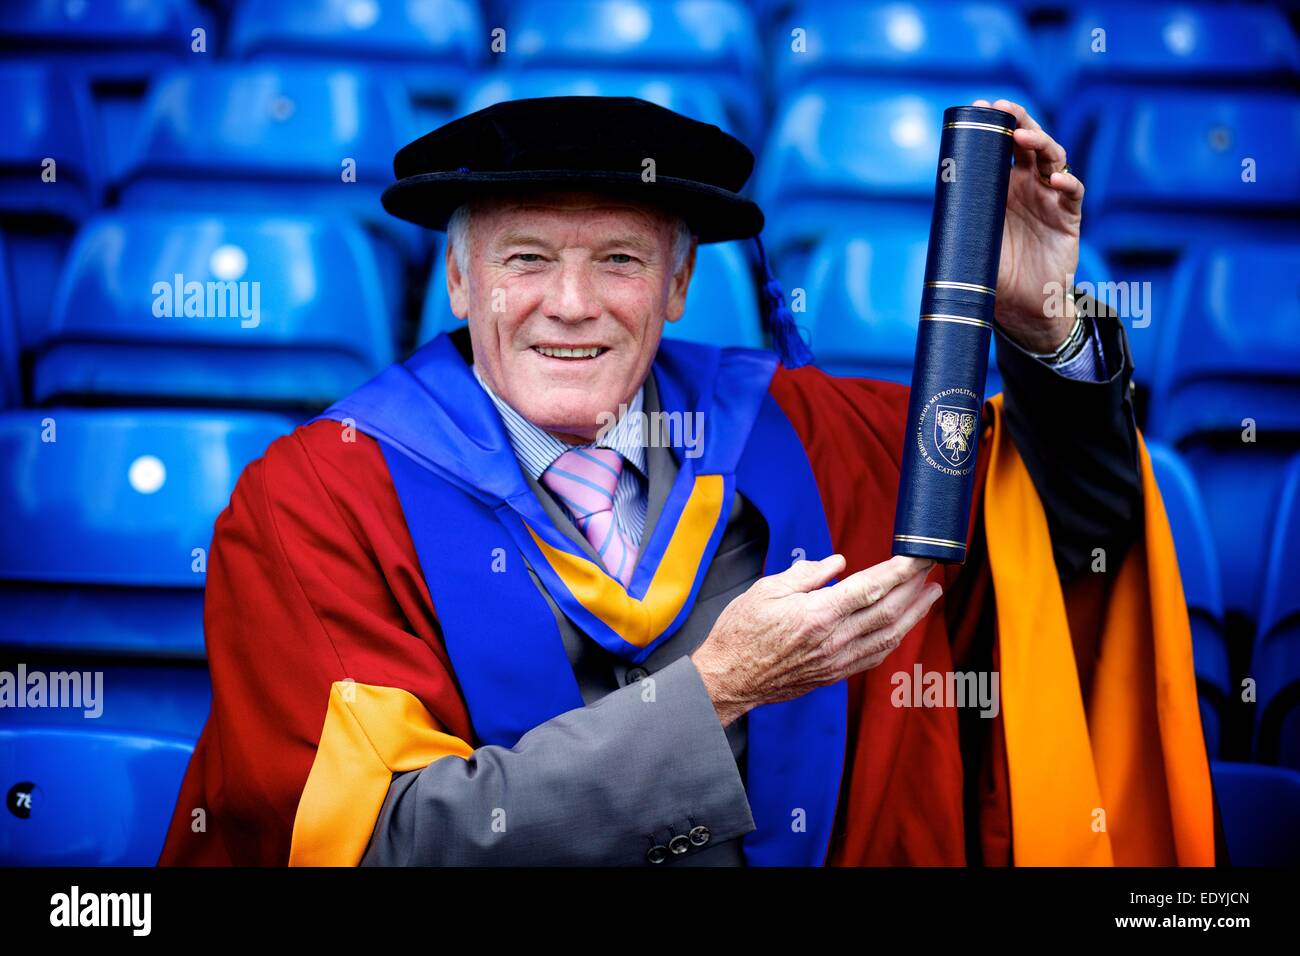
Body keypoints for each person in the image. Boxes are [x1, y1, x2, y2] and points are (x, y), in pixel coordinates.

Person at [159, 95, 1216, 867]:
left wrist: (1040, 330)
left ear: (677, 284)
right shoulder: (320, 501)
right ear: (458, 275)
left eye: (617, 260)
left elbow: (1072, 539)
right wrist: (713, 691)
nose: (570, 303)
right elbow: (384, 845)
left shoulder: (808, 438)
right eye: (526, 258)